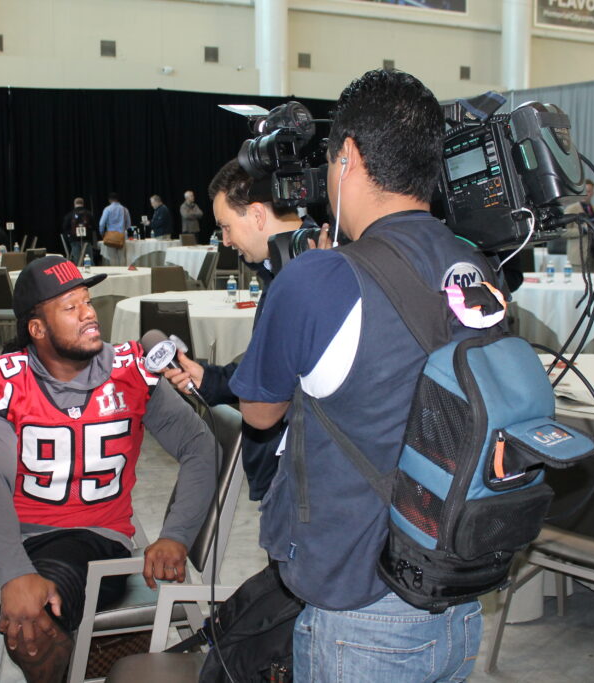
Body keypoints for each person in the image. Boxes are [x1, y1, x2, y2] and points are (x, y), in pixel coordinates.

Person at [229, 69, 486, 681]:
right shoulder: (476, 268)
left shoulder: (318, 279)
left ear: (347, 156)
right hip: (457, 594)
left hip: (361, 608)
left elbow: (259, 414)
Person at [0, 255, 216, 683]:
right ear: (37, 329)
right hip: (24, 532)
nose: (88, 314)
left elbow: (199, 445)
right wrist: (14, 570)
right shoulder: (6, 381)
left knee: (33, 624)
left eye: (87, 301)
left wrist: (177, 534)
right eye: (70, 307)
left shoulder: (130, 370)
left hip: (98, 540)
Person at [160, 158, 325, 501]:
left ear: (258, 215)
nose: (225, 240)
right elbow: (268, 367)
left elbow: (267, 400)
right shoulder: (279, 268)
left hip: (304, 485)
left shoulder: (312, 271)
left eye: (226, 226)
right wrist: (209, 378)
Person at [564, 179, 594, 272]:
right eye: (584, 191)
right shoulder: (571, 209)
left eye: (589, 191)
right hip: (579, 257)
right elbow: (563, 232)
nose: (586, 194)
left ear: (593, 193)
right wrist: (582, 230)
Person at [61, 198, 96, 265]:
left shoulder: (70, 214)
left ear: (75, 204)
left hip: (74, 239)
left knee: (77, 259)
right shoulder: (88, 214)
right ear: (83, 204)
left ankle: (77, 273)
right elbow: (94, 227)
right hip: (87, 240)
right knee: (89, 259)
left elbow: (64, 227)